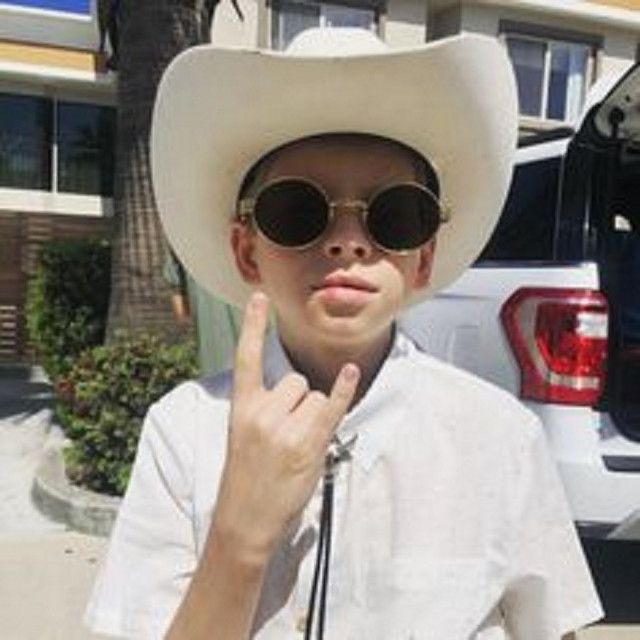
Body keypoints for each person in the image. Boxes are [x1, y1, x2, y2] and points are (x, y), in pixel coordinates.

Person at [84, 28, 603, 639]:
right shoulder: (185, 431)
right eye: (297, 210)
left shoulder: (499, 438)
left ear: (424, 257)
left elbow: (553, 628)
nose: (349, 242)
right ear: (246, 251)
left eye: (394, 215)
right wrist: (239, 539)